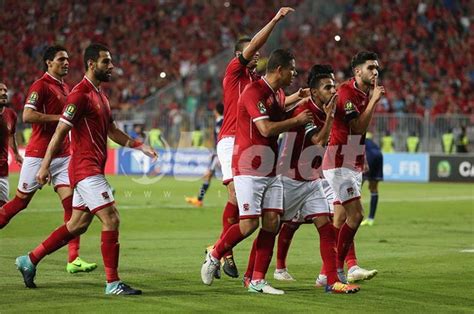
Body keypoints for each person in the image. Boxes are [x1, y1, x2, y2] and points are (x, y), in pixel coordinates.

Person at [15, 43, 157, 295]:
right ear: (92, 64)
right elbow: (60, 131)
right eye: (106, 62)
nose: (111, 66)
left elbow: (112, 131)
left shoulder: (100, 95)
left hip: (91, 169)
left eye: (110, 61)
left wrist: (138, 145)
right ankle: (113, 283)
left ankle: (30, 259)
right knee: (111, 218)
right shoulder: (79, 94)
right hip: (84, 169)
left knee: (77, 224)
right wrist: (45, 165)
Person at [201, 49, 312, 295]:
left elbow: (281, 113)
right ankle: (215, 253)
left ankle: (257, 281)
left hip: (271, 168)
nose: (295, 73)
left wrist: (299, 101)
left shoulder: (278, 93)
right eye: (292, 69)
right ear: (280, 70)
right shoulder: (253, 91)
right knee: (249, 223)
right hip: (248, 167)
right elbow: (265, 128)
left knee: (272, 223)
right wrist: (297, 120)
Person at [213, 7, 295, 279]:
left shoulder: (258, 83)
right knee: (235, 197)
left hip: (254, 142)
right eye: (251, 49)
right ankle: (223, 252)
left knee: (260, 213)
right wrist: (274, 20)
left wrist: (300, 97)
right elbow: (257, 44)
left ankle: (240, 262)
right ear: (240, 54)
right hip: (231, 140)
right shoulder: (235, 72)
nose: (257, 53)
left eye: (257, 50)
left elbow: (277, 107)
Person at [0, 46, 97, 273]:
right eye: (61, 59)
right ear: (48, 62)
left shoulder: (66, 87)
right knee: (19, 203)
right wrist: (61, 118)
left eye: (67, 59)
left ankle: (73, 259)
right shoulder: (40, 86)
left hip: (63, 156)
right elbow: (28, 115)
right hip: (38, 155)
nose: (66, 63)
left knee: (73, 207)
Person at [274, 65, 359, 293]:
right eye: (328, 87)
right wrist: (331, 115)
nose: (333, 91)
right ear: (314, 91)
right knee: (268, 227)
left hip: (311, 180)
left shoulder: (325, 109)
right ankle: (225, 256)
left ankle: (331, 281)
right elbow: (319, 142)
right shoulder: (308, 110)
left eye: (334, 85)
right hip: (289, 178)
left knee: (326, 226)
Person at [322, 51, 385, 283]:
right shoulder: (347, 93)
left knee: (339, 220)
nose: (376, 72)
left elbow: (357, 134)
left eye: (377, 67)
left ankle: (340, 269)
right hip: (339, 163)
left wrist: (361, 157)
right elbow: (357, 127)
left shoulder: (362, 93)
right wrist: (374, 101)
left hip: (351, 160)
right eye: (370, 68)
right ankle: (337, 270)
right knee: (356, 215)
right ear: (357, 71)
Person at [186, 103, 224, 207]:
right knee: (209, 176)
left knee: (209, 176)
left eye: (214, 110)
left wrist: (218, 154)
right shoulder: (220, 122)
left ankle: (199, 200)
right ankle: (199, 199)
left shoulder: (220, 123)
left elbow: (221, 139)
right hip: (217, 153)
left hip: (219, 154)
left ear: (216, 111)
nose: (213, 112)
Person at [0, 82, 23, 206]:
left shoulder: (11, 115)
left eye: (5, 90)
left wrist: (16, 154)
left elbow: (11, 135)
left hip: (3, 172)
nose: (4, 93)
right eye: (0, 90)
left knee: (3, 212)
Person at [360, 134, 384, 226]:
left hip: (368, 155)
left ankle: (355, 216)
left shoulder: (354, 137)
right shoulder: (370, 141)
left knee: (356, 189)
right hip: (379, 154)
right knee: (373, 188)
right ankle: (371, 219)